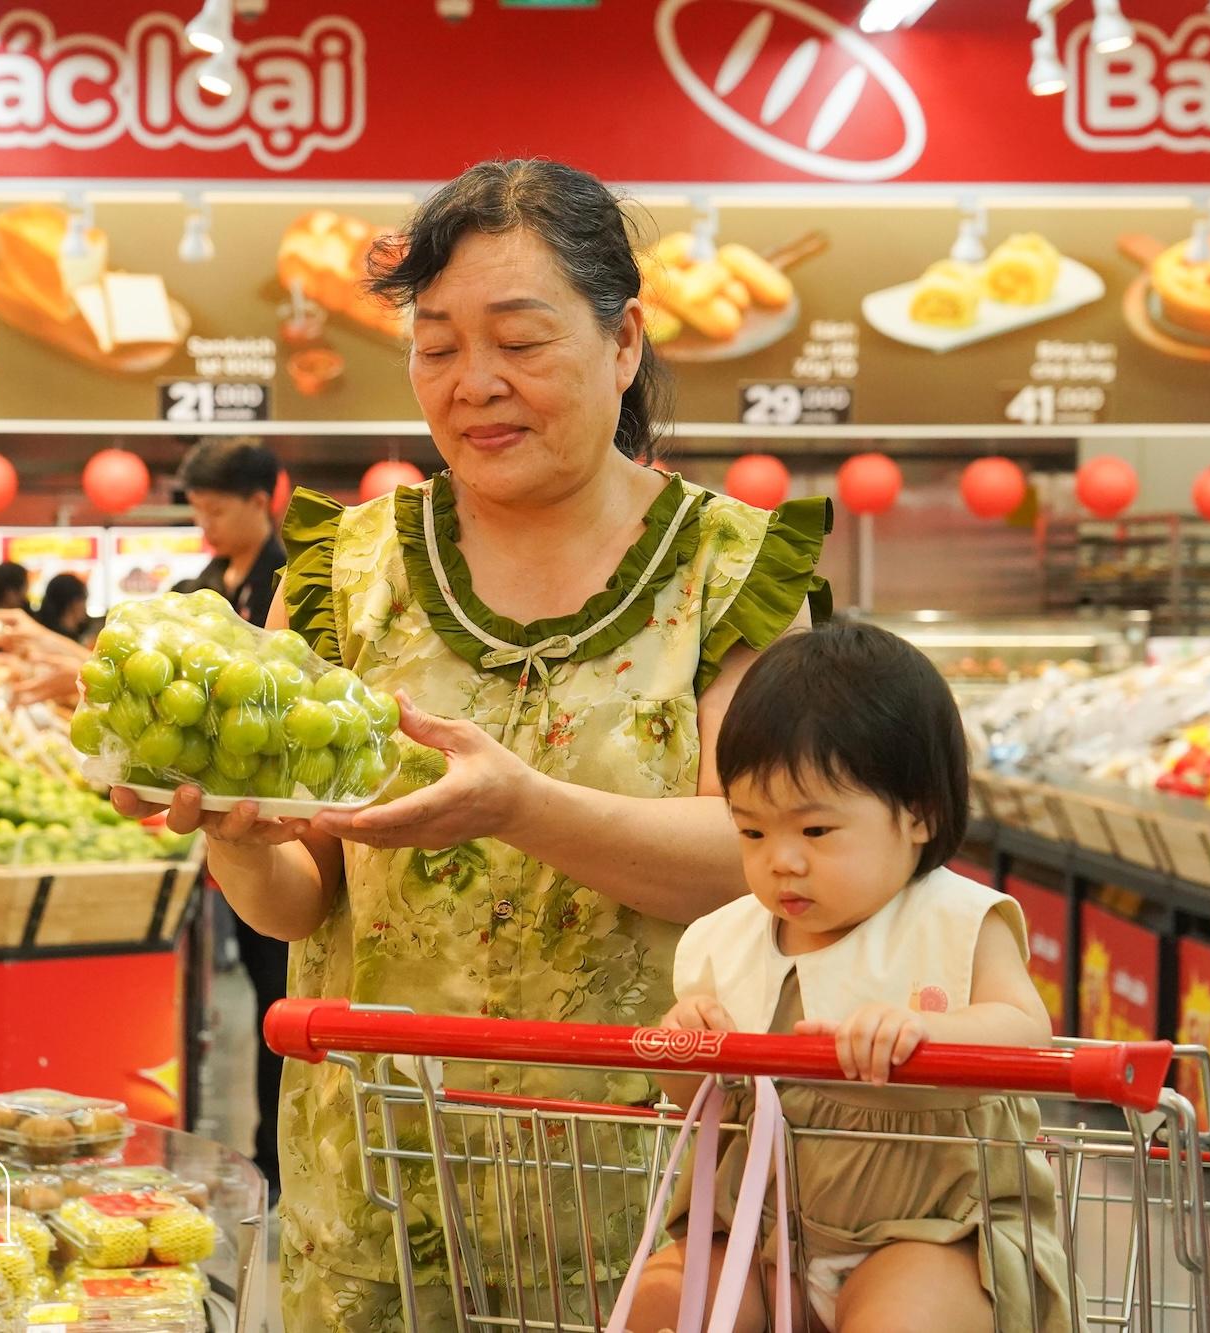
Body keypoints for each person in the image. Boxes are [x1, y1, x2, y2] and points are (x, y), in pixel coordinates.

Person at [110, 158, 831, 1329]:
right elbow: (307, 900)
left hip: (639, 1197)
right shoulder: (343, 571)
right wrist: (236, 840)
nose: (474, 384)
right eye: (436, 346)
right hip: (382, 1185)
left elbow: (768, 860)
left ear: (623, 343)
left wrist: (518, 806)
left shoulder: (732, 575)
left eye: (519, 341)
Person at [634, 623, 1069, 1333]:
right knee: (665, 1302)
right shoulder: (724, 938)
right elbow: (692, 1097)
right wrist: (687, 1048)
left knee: (904, 1316)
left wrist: (932, 1032)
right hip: (756, 1231)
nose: (781, 861)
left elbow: (1028, 1035)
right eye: (751, 831)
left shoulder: (956, 921)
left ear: (920, 814)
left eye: (815, 832)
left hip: (928, 1230)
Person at [175, 435, 291, 1204]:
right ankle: (265, 1153)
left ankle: (275, 1160)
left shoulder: (296, 584)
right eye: (198, 511)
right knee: (259, 988)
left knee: (279, 1000)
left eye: (217, 508)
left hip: (285, 829)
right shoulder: (209, 585)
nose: (207, 525)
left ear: (262, 500)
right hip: (226, 831)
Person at [178, 437, 287, 625]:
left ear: (258, 503)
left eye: (216, 511)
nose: (203, 523)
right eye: (197, 509)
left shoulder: (285, 586)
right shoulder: (199, 586)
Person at [33, 572, 92, 642]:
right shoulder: (63, 642)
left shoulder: (40, 634)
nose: (84, 606)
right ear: (73, 603)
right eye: (84, 599)